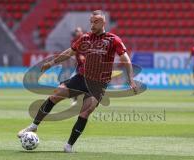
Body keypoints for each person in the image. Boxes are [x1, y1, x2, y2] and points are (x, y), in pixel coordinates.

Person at [17, 10, 137, 153]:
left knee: (84, 113)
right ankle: (34, 125)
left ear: (103, 22)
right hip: (81, 78)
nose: (92, 24)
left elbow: (125, 59)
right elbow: (69, 52)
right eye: (91, 21)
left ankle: (68, 146)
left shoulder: (113, 40)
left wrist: (131, 79)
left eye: (96, 22)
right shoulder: (85, 38)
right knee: (55, 95)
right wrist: (52, 63)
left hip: (98, 85)